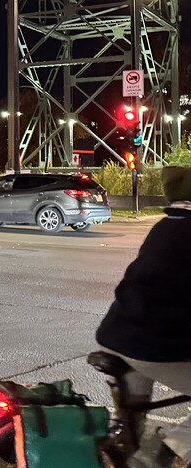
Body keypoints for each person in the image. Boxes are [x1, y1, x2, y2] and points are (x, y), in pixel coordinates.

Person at [96, 166, 191, 468]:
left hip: (118, 336)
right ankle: (160, 452)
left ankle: (125, 452)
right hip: (154, 345)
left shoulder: (166, 225)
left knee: (130, 421)